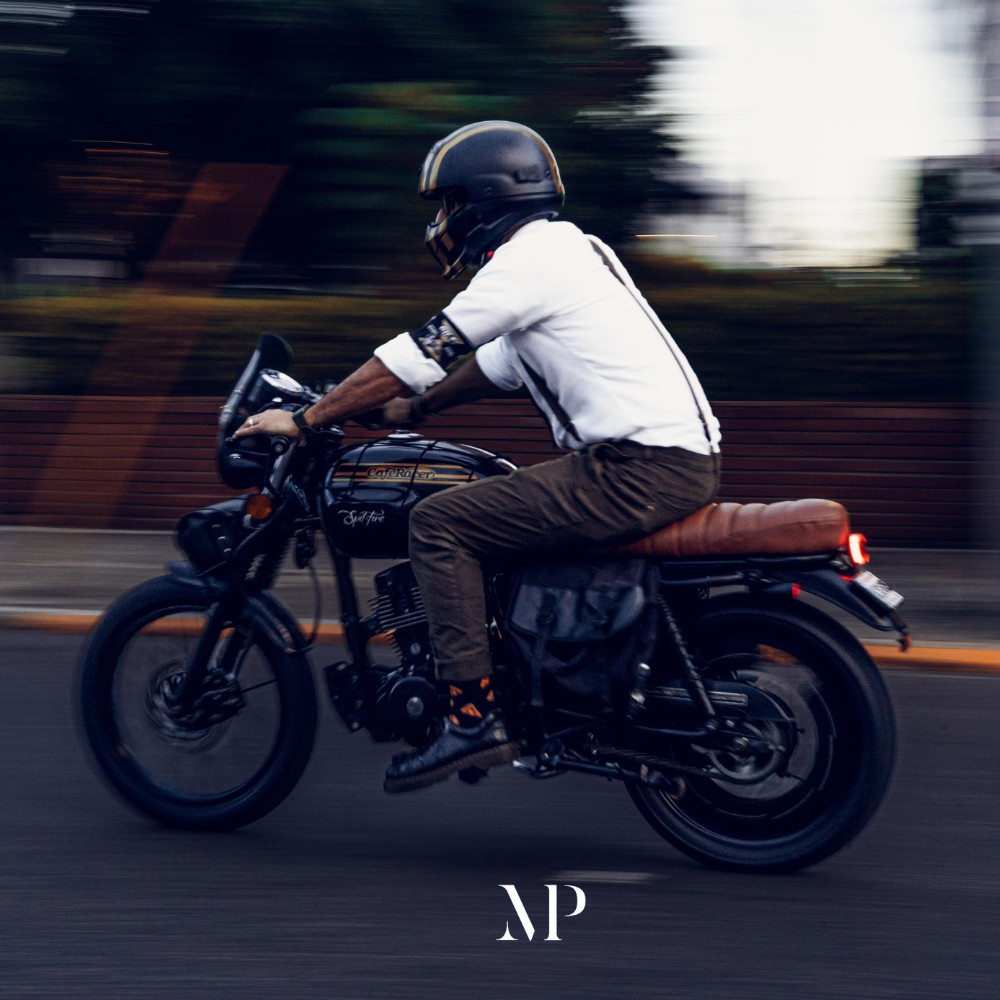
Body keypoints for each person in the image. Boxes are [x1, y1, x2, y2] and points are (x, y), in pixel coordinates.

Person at [234, 120, 722, 794]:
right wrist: (410, 411)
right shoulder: (568, 249)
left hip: (635, 470)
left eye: (449, 204)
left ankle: (471, 717)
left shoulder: (527, 262)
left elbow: (425, 349)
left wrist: (307, 418)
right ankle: (522, 681)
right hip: (662, 463)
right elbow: (497, 364)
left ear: (485, 200)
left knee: (439, 523)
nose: (442, 220)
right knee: (496, 499)